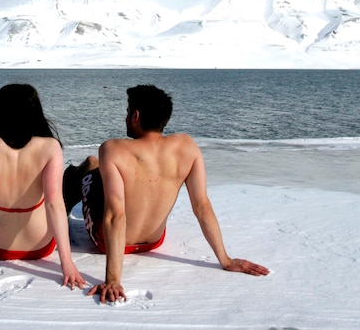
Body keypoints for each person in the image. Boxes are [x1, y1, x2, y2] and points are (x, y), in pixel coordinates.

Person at [63, 84, 268, 304]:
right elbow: (202, 206)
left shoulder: (112, 149)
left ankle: (61, 208)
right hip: (154, 241)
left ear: (135, 115)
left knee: (90, 167)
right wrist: (225, 260)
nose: (126, 117)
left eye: (127, 112)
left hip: (106, 243)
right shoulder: (187, 147)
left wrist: (113, 280)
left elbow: (115, 215)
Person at [0, 83, 86, 290]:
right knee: (60, 196)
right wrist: (67, 264)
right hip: (41, 245)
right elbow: (54, 205)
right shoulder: (49, 146)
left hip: (0, 247)